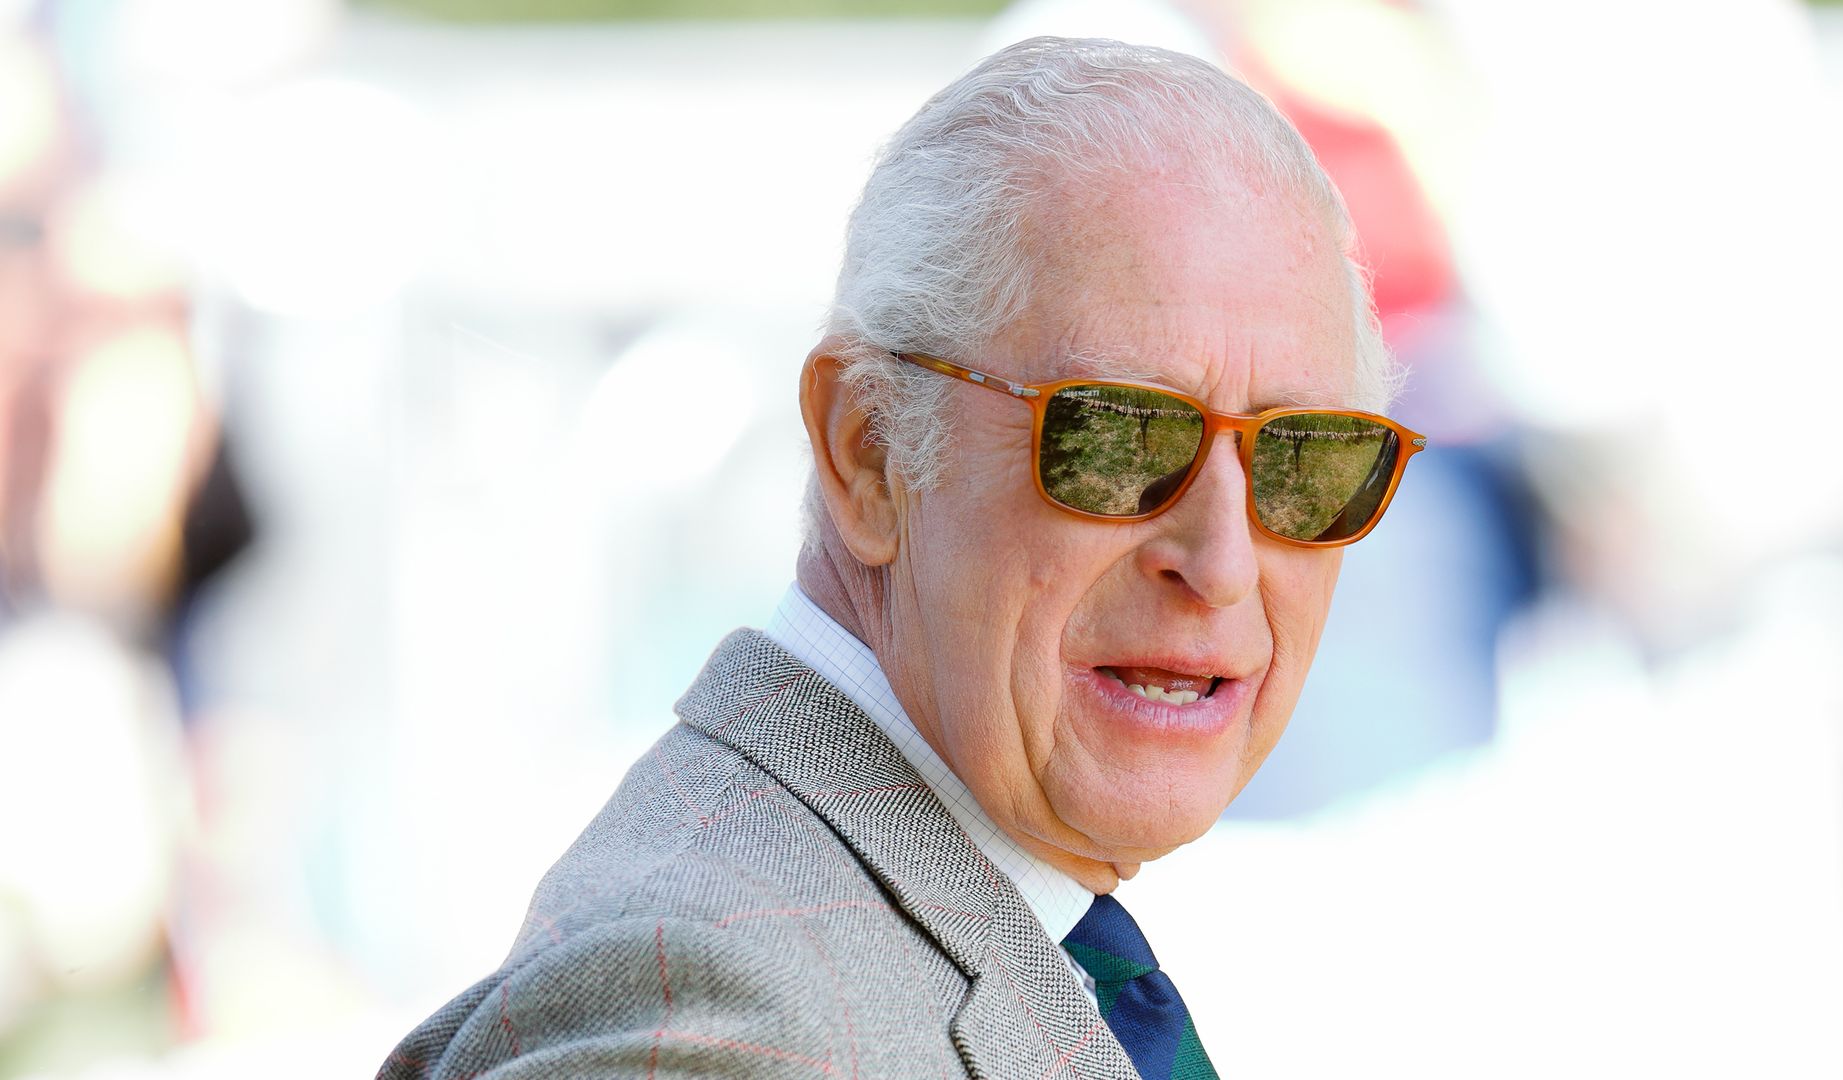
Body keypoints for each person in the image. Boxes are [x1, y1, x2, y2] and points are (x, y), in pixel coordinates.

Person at [382, 36, 1422, 1080]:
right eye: (1119, 437)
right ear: (867, 449)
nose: (1225, 563)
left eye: (1304, 458)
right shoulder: (713, 1023)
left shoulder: (949, 931)